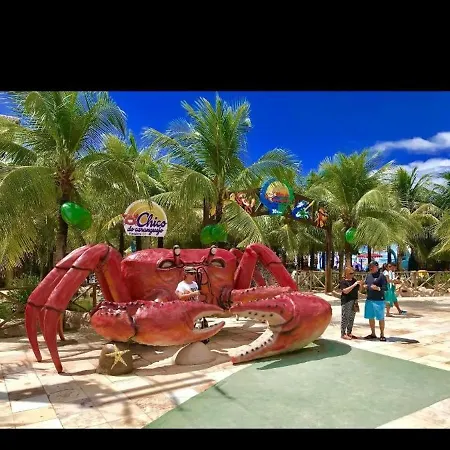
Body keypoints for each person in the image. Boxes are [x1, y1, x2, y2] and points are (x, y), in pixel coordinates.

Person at [175, 266, 209, 343]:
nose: (193, 275)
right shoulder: (181, 285)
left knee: (198, 326)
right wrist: (192, 294)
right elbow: (180, 297)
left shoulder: (194, 284)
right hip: (187, 310)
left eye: (194, 273)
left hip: (195, 308)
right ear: (186, 274)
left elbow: (197, 296)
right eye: (191, 273)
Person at [363, 261, 388, 341]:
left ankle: (382, 334)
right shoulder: (368, 276)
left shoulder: (381, 276)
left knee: (380, 318)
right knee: (370, 317)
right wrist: (365, 286)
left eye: (372, 266)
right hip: (369, 299)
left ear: (377, 267)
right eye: (370, 266)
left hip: (379, 300)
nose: (371, 268)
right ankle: (373, 333)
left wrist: (378, 288)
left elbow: (385, 288)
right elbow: (366, 284)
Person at [339, 267, 362, 340]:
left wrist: (360, 285)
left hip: (354, 300)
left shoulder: (354, 280)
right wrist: (354, 285)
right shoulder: (343, 282)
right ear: (346, 274)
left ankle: (349, 332)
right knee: (345, 317)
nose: (352, 275)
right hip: (347, 301)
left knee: (351, 317)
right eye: (351, 273)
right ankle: (343, 333)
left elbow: (359, 290)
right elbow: (345, 291)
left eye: (353, 273)